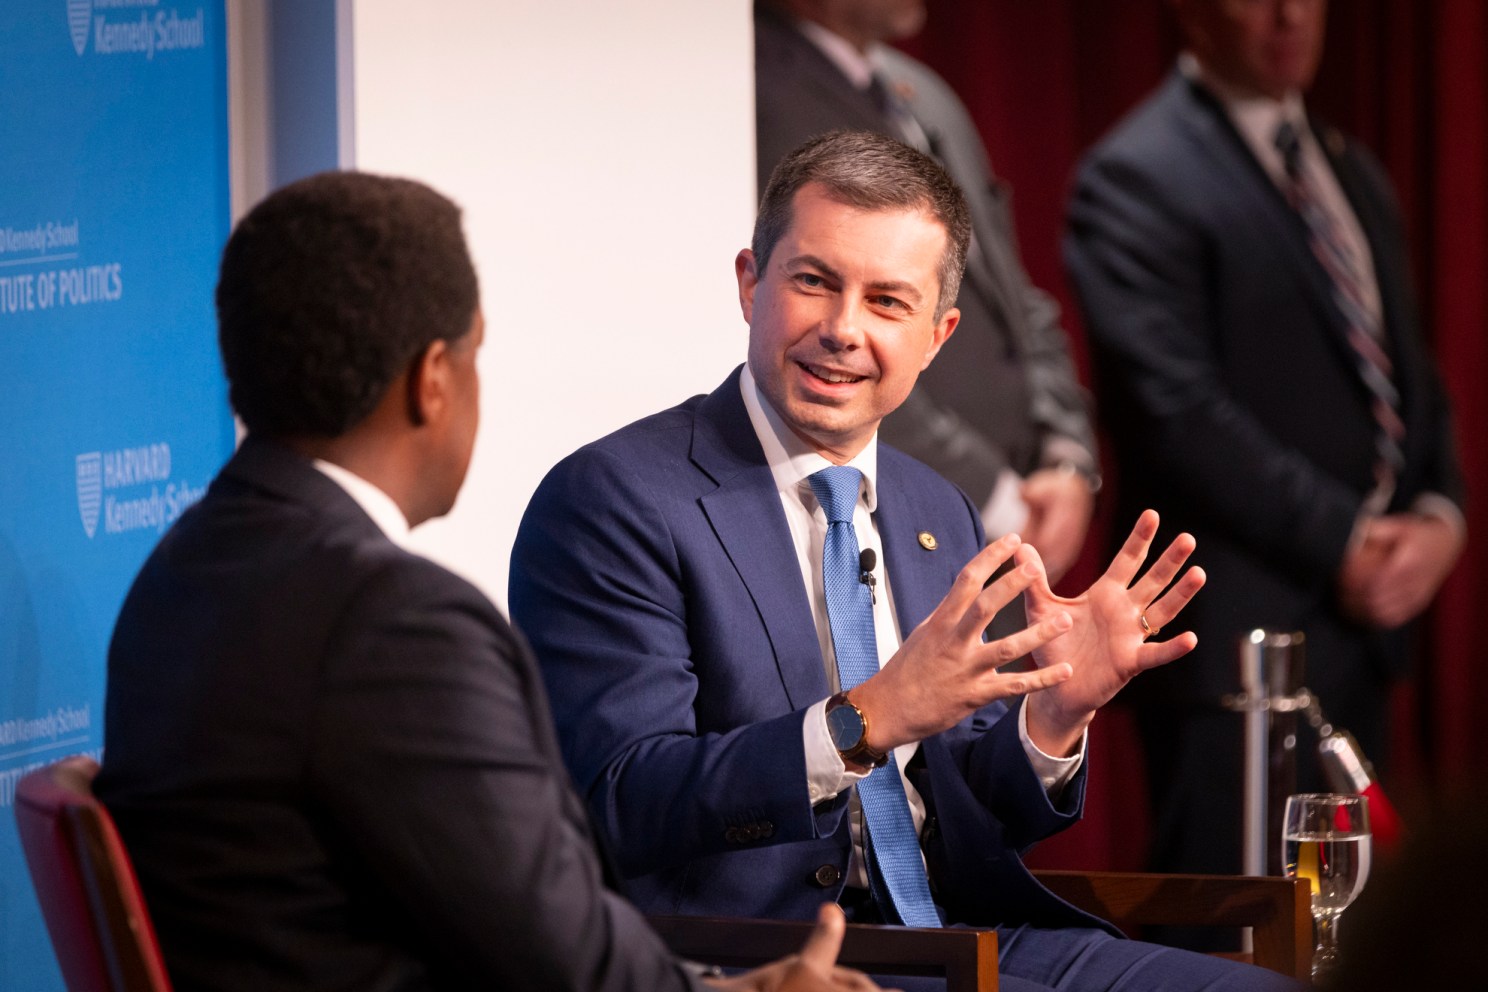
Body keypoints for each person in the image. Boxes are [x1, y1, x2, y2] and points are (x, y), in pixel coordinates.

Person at [510, 130, 1299, 991]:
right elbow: (621, 801)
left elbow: (970, 805)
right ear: (749, 284)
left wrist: (1053, 719)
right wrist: (859, 722)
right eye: (813, 282)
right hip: (765, 961)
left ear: (937, 334)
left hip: (967, 938)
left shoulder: (935, 511)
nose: (843, 330)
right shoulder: (615, 499)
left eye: (888, 301)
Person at [93, 171, 883, 992]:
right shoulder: (394, 624)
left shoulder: (185, 566)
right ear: (432, 378)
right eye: (476, 351)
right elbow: (555, 953)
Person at [1064, 0, 1465, 919]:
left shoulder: (1351, 167)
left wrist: (1443, 516)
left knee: (1357, 938)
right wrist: (1347, 541)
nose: (1290, 14)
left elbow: (1412, 372)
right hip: (1234, 657)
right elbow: (1181, 414)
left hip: (1365, 638)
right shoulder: (1135, 174)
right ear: (1193, 16)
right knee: (1234, 952)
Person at [755, 0, 1098, 584]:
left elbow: (1018, 302)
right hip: (887, 524)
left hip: (1009, 523)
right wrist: (992, 497)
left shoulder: (922, 91)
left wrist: (1066, 456)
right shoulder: (750, 88)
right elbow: (830, 342)